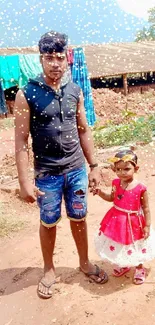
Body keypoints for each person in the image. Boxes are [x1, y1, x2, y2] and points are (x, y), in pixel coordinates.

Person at [14, 31, 108, 299]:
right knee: (49, 221)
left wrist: (94, 166)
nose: (55, 64)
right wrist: (24, 182)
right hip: (47, 175)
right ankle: (48, 269)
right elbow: (21, 141)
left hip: (76, 169)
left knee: (79, 217)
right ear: (40, 59)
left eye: (59, 57)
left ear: (67, 59)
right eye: (48, 58)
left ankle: (84, 262)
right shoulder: (26, 94)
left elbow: (84, 130)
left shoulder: (74, 90)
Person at [94, 149, 155, 285]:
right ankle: (124, 264)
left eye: (126, 169)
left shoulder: (141, 188)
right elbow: (111, 198)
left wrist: (147, 225)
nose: (122, 173)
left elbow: (146, 208)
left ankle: (139, 268)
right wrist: (99, 192)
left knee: (136, 244)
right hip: (117, 219)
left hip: (134, 221)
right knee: (119, 242)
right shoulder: (116, 183)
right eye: (118, 169)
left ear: (136, 168)